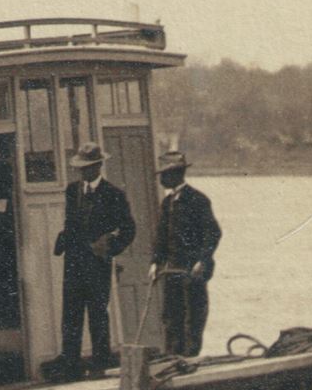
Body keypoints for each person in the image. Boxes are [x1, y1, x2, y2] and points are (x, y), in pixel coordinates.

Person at [52, 142, 134, 375]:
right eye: (81, 168)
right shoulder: (72, 190)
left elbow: (129, 229)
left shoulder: (113, 194)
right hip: (73, 263)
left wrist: (109, 248)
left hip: (97, 265)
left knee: (98, 314)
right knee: (70, 314)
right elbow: (70, 224)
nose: (84, 172)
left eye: (88, 167)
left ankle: (101, 364)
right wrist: (63, 242)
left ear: (98, 166)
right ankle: (71, 365)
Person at [149, 148, 222, 358]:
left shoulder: (198, 200)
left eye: (165, 174)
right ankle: (173, 357)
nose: (162, 178)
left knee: (193, 317)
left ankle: (189, 358)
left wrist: (203, 260)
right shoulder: (167, 203)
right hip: (171, 269)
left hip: (193, 270)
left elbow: (213, 233)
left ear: (176, 174)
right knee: (171, 316)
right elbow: (161, 237)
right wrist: (155, 263)